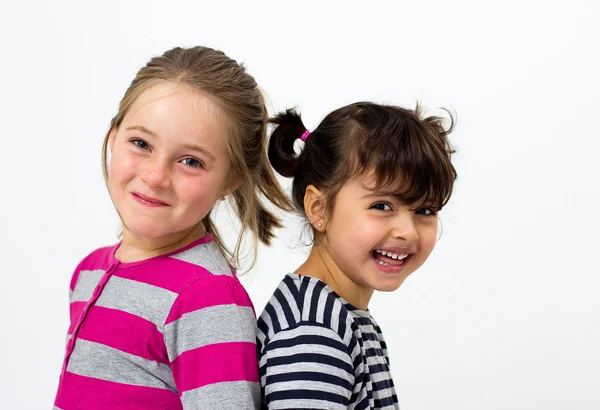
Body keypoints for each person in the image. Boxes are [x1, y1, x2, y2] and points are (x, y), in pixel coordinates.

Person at [53, 46, 291, 410]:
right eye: (141, 143)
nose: (155, 176)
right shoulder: (89, 271)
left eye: (191, 161)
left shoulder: (206, 297)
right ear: (114, 136)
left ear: (232, 179)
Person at [257, 102, 457, 409]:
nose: (408, 231)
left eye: (425, 210)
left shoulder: (339, 316)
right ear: (318, 208)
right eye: (381, 206)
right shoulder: (313, 332)